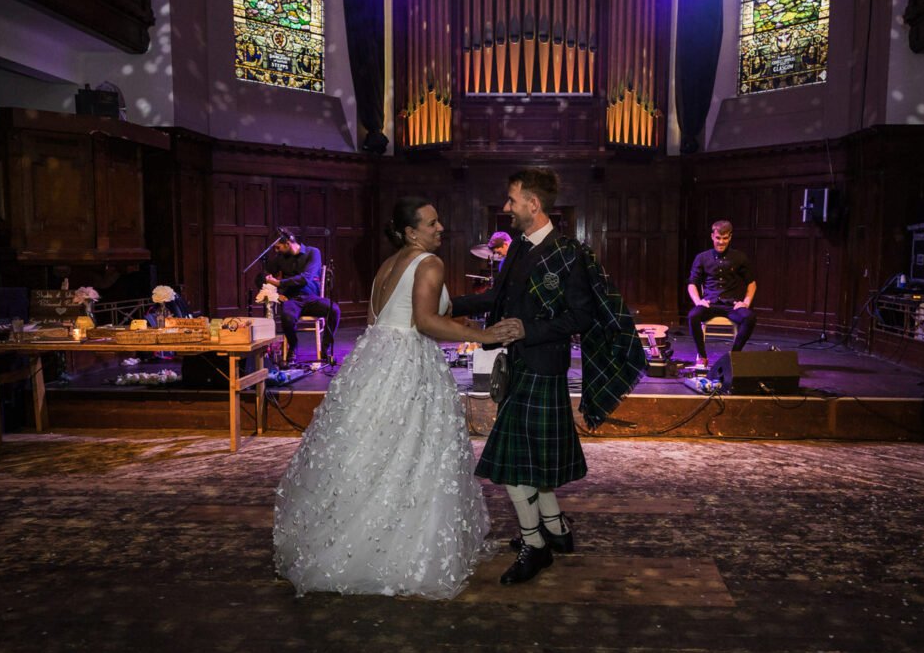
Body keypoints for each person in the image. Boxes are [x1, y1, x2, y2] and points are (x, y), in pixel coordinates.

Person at [273, 198, 519, 599]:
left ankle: (351, 539)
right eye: (433, 223)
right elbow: (424, 322)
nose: (440, 228)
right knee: (412, 454)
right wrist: (484, 335)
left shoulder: (388, 266)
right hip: (409, 364)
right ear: (410, 231)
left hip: (372, 363)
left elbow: (383, 321)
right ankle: (399, 549)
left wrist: (463, 316)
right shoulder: (429, 264)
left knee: (372, 451)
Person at [453, 168, 645, 585]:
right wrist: (449, 302)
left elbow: (582, 315)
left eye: (511, 200)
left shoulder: (570, 253)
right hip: (519, 366)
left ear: (532, 204)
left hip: (544, 368)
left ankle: (535, 545)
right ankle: (555, 529)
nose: (506, 208)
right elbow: (497, 297)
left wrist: (529, 329)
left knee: (516, 466)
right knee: (532, 462)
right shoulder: (519, 247)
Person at [255, 227, 341, 364]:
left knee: (334, 310)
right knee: (287, 317)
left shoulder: (313, 252)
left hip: (312, 299)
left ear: (288, 243)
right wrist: (271, 287)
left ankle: (325, 349)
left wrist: (279, 283)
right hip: (292, 300)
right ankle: (293, 347)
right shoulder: (280, 259)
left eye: (278, 248)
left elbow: (305, 278)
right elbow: (261, 276)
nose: (276, 251)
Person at [687, 219, 758, 366]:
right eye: (718, 238)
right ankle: (702, 356)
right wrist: (698, 301)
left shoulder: (739, 257)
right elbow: (692, 284)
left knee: (749, 317)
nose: (721, 242)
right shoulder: (702, 257)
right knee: (693, 315)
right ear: (712, 236)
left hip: (731, 305)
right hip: (709, 304)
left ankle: (734, 357)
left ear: (730, 237)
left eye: (725, 238)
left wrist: (746, 302)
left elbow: (752, 283)